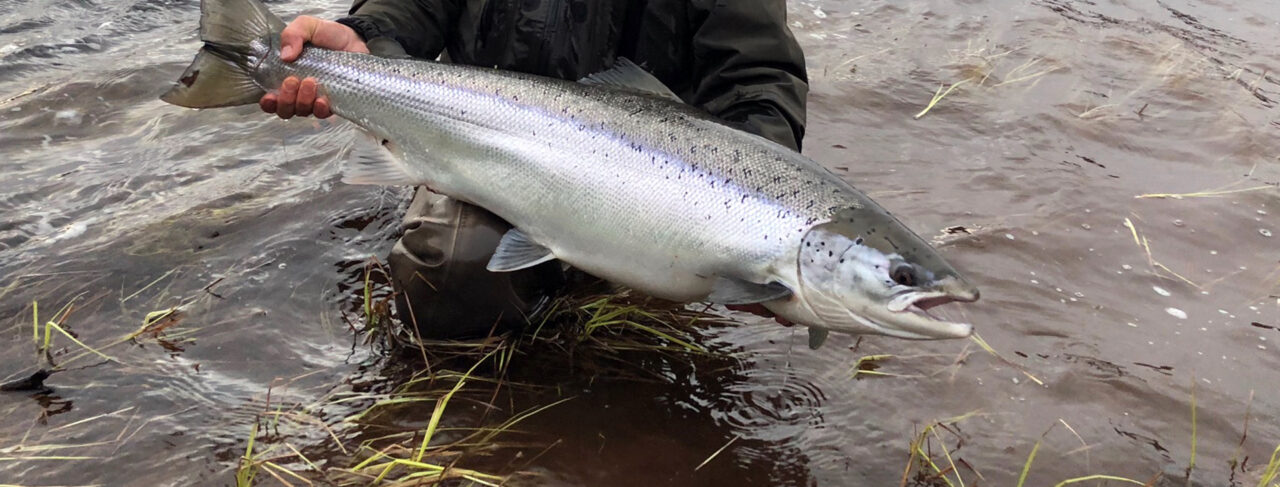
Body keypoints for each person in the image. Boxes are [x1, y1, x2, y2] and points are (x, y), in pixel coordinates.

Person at [261, 0, 809, 339]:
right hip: (488, 141)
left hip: (656, 180)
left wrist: (756, 227)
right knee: (449, 276)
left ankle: (612, 270)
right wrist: (367, 35)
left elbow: (757, 77)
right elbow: (415, 7)